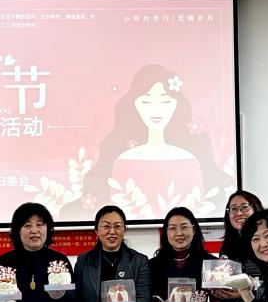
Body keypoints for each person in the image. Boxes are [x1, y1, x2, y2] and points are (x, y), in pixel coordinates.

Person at [84, 65, 229, 218]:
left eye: (165, 101)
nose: (156, 109)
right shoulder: (123, 160)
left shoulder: (190, 159)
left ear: (176, 105)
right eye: (146, 101)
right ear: (135, 105)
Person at [69, 206, 151, 302]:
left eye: (117, 226)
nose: (112, 232)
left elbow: (144, 297)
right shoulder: (84, 260)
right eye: (106, 226)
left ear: (124, 229)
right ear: (96, 230)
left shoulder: (139, 260)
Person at [0, 203, 74, 302]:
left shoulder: (59, 261)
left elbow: (70, 301)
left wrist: (60, 294)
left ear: (48, 229)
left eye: (39, 224)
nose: (34, 230)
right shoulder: (5, 261)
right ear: (17, 231)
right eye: (27, 225)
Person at [147, 207, 223, 302]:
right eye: (173, 228)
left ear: (194, 229)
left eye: (184, 227)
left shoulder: (210, 263)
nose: (179, 233)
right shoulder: (153, 265)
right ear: (166, 232)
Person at [214, 190, 266, 302]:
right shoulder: (227, 248)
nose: (238, 213)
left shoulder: (266, 244)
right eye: (233, 209)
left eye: (244, 207)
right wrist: (221, 293)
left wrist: (245, 291)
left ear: (256, 209)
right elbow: (228, 295)